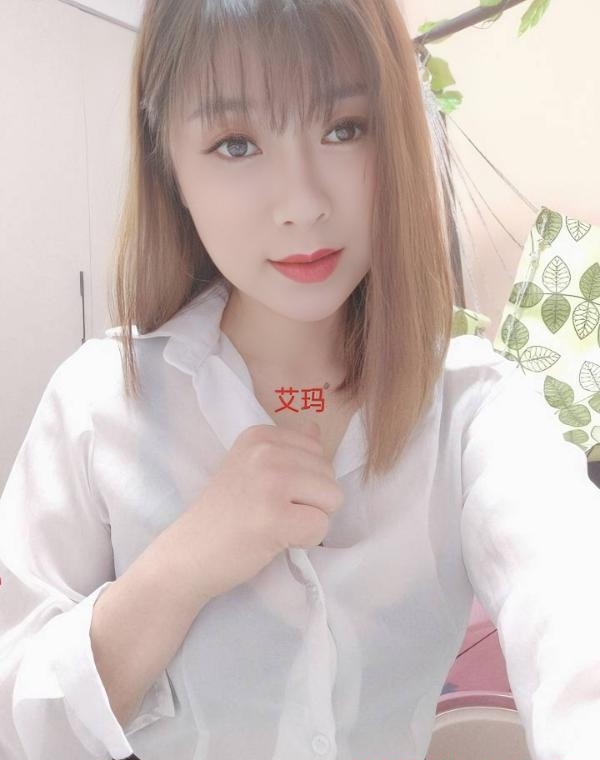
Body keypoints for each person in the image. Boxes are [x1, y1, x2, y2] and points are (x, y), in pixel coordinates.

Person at [1, 0, 599, 759]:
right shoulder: (97, 407)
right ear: (167, 163)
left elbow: (574, 613)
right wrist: (182, 566)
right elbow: (20, 721)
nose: (304, 204)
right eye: (236, 143)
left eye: (344, 128)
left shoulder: (471, 410)